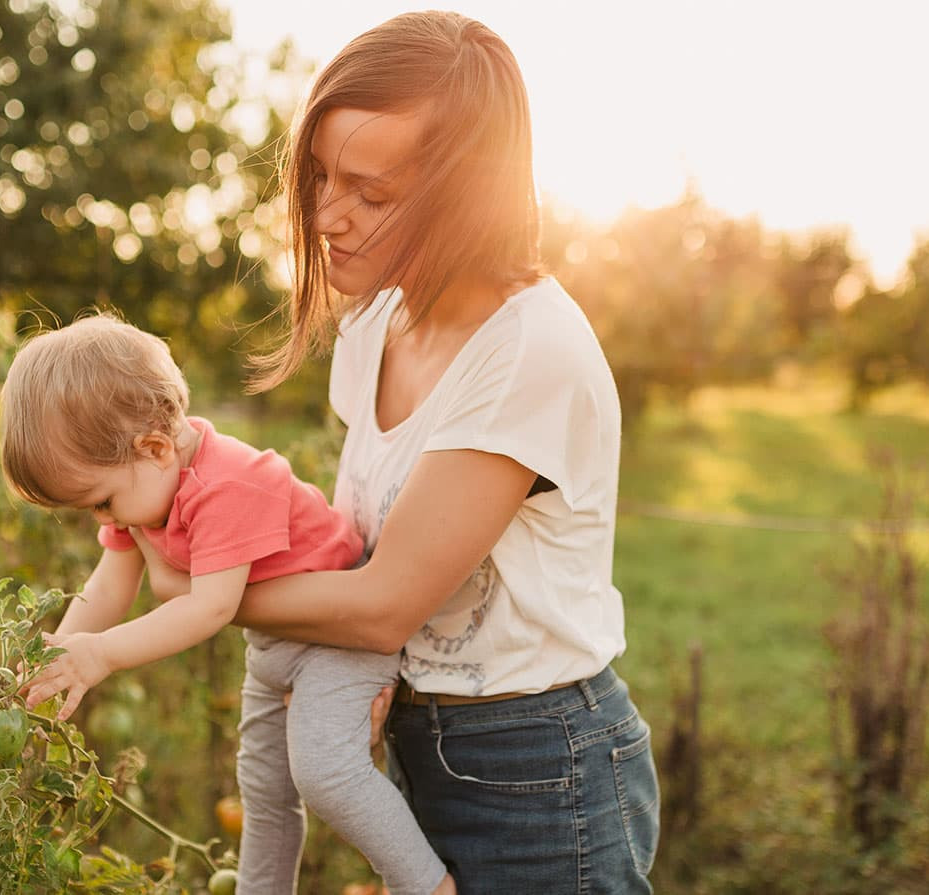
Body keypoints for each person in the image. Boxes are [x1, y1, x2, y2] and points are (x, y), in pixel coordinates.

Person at [208, 10, 661, 892]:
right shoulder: (376, 320)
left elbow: (381, 602)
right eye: (319, 177)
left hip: (538, 767)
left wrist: (201, 592)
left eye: (370, 194)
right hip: (422, 737)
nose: (328, 216)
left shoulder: (527, 350)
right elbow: (360, 546)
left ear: (466, 196)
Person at [1, 313, 455, 895]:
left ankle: (425, 885)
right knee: (263, 790)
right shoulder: (142, 486)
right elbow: (110, 584)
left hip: (336, 635)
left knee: (326, 772)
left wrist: (102, 655)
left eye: (102, 502)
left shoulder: (230, 483)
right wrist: (57, 651)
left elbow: (209, 607)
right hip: (275, 647)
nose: (104, 519)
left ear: (156, 447)